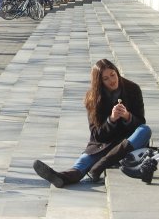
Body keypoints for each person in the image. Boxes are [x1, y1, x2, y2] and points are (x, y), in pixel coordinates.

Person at [33, 59, 151, 187]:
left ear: (117, 72)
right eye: (106, 79)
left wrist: (127, 116)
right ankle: (62, 177)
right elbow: (96, 135)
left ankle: (101, 165)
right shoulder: (93, 98)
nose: (112, 80)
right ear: (99, 82)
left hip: (128, 142)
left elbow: (140, 122)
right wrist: (111, 120)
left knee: (145, 130)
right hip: (105, 143)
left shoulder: (133, 89)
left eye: (113, 74)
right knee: (84, 160)